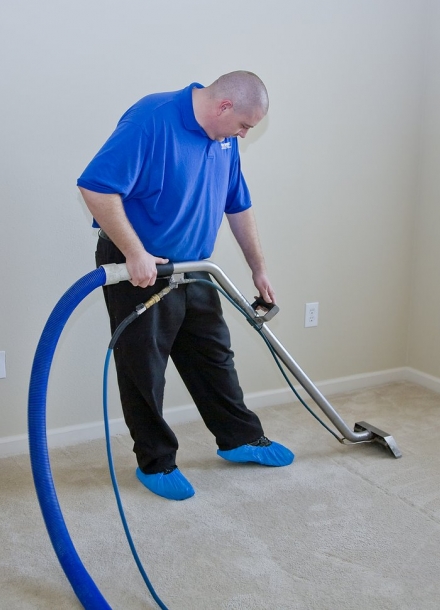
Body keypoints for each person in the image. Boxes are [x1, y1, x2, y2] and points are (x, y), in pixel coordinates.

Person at [77, 71, 294, 501]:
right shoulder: (152, 118)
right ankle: (155, 462)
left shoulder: (223, 138)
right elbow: (95, 187)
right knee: (144, 367)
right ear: (223, 107)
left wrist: (259, 268)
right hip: (140, 265)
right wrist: (135, 253)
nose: (245, 134)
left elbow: (238, 204)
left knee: (213, 354)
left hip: (195, 266)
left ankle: (239, 438)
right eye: (244, 126)